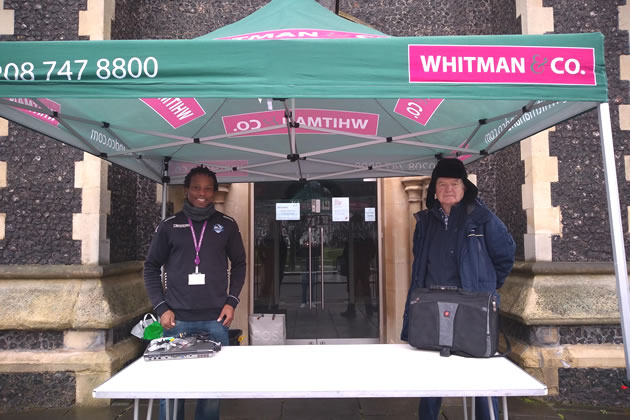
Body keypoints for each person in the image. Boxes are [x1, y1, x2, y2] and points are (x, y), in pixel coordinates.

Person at [400, 158, 515, 420]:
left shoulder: (483, 218)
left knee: (479, 374)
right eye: (442, 184)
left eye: (454, 183)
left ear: (464, 187)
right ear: (434, 190)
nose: (448, 189)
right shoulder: (425, 222)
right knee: (431, 373)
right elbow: (419, 260)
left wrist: (484, 287)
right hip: (432, 306)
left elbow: (505, 256)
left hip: (471, 306)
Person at [144, 165, 246, 420]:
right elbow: (151, 267)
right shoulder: (170, 225)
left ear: (213, 192)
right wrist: (161, 307)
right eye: (197, 188)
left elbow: (241, 264)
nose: (203, 193)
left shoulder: (227, 224)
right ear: (187, 190)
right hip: (176, 321)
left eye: (208, 188)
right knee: (171, 391)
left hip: (215, 321)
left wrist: (231, 301)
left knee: (210, 392)